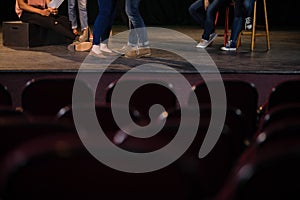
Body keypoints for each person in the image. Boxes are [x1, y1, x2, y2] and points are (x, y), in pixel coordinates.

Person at [15, 0, 92, 51]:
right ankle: (77, 39)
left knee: (65, 20)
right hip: (27, 12)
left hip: (41, 11)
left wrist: (52, 10)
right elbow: (22, 5)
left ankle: (72, 44)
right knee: (51, 22)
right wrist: (40, 12)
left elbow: (48, 3)